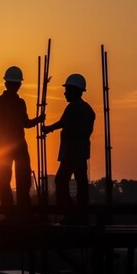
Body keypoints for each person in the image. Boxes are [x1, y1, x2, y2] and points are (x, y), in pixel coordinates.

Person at [0, 66, 44, 219]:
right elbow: (22, 123)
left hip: (8, 146)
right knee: (14, 179)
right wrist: (36, 121)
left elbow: (23, 123)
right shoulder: (11, 102)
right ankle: (17, 212)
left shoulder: (3, 102)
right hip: (11, 145)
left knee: (17, 179)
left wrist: (37, 120)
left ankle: (17, 212)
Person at [43, 73, 95, 224]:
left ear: (75, 91)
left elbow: (63, 123)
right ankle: (81, 215)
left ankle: (71, 213)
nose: (65, 93)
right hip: (81, 152)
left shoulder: (74, 107)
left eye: (67, 90)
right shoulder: (88, 110)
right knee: (81, 183)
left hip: (72, 152)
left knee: (60, 180)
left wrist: (48, 129)